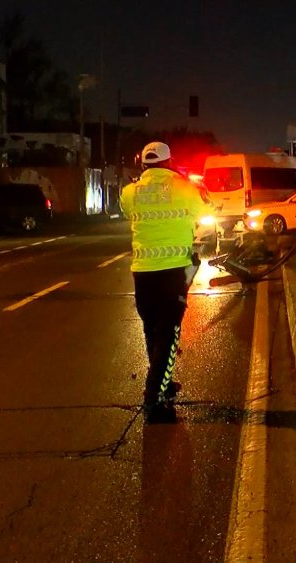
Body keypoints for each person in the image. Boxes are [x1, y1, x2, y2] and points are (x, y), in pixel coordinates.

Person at [120, 141, 211, 422]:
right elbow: (203, 211)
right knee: (169, 336)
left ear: (144, 165)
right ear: (169, 162)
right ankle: (154, 400)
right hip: (173, 271)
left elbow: (127, 212)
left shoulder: (130, 191)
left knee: (152, 331)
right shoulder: (185, 189)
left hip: (143, 272)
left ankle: (164, 383)